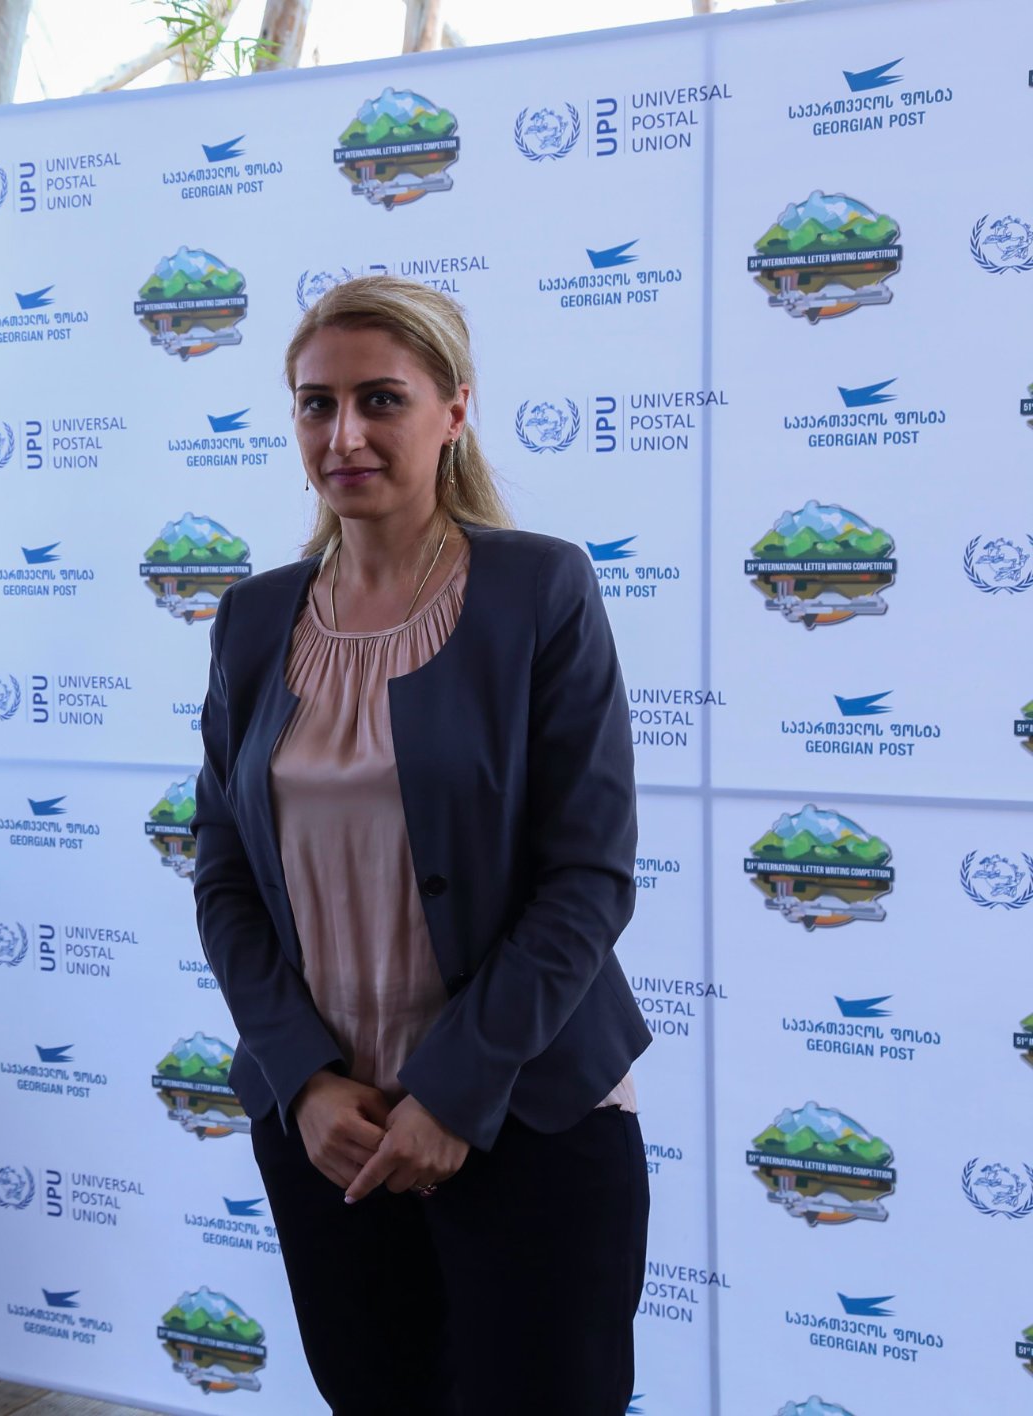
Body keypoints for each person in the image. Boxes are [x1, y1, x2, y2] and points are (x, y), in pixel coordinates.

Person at [191, 276, 649, 1414]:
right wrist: (302, 1081)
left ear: (454, 411)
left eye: (380, 400)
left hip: (528, 1118)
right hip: (328, 1138)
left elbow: (588, 877)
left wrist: (450, 1094)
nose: (342, 435)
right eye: (316, 404)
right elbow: (224, 879)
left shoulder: (539, 588)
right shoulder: (252, 619)